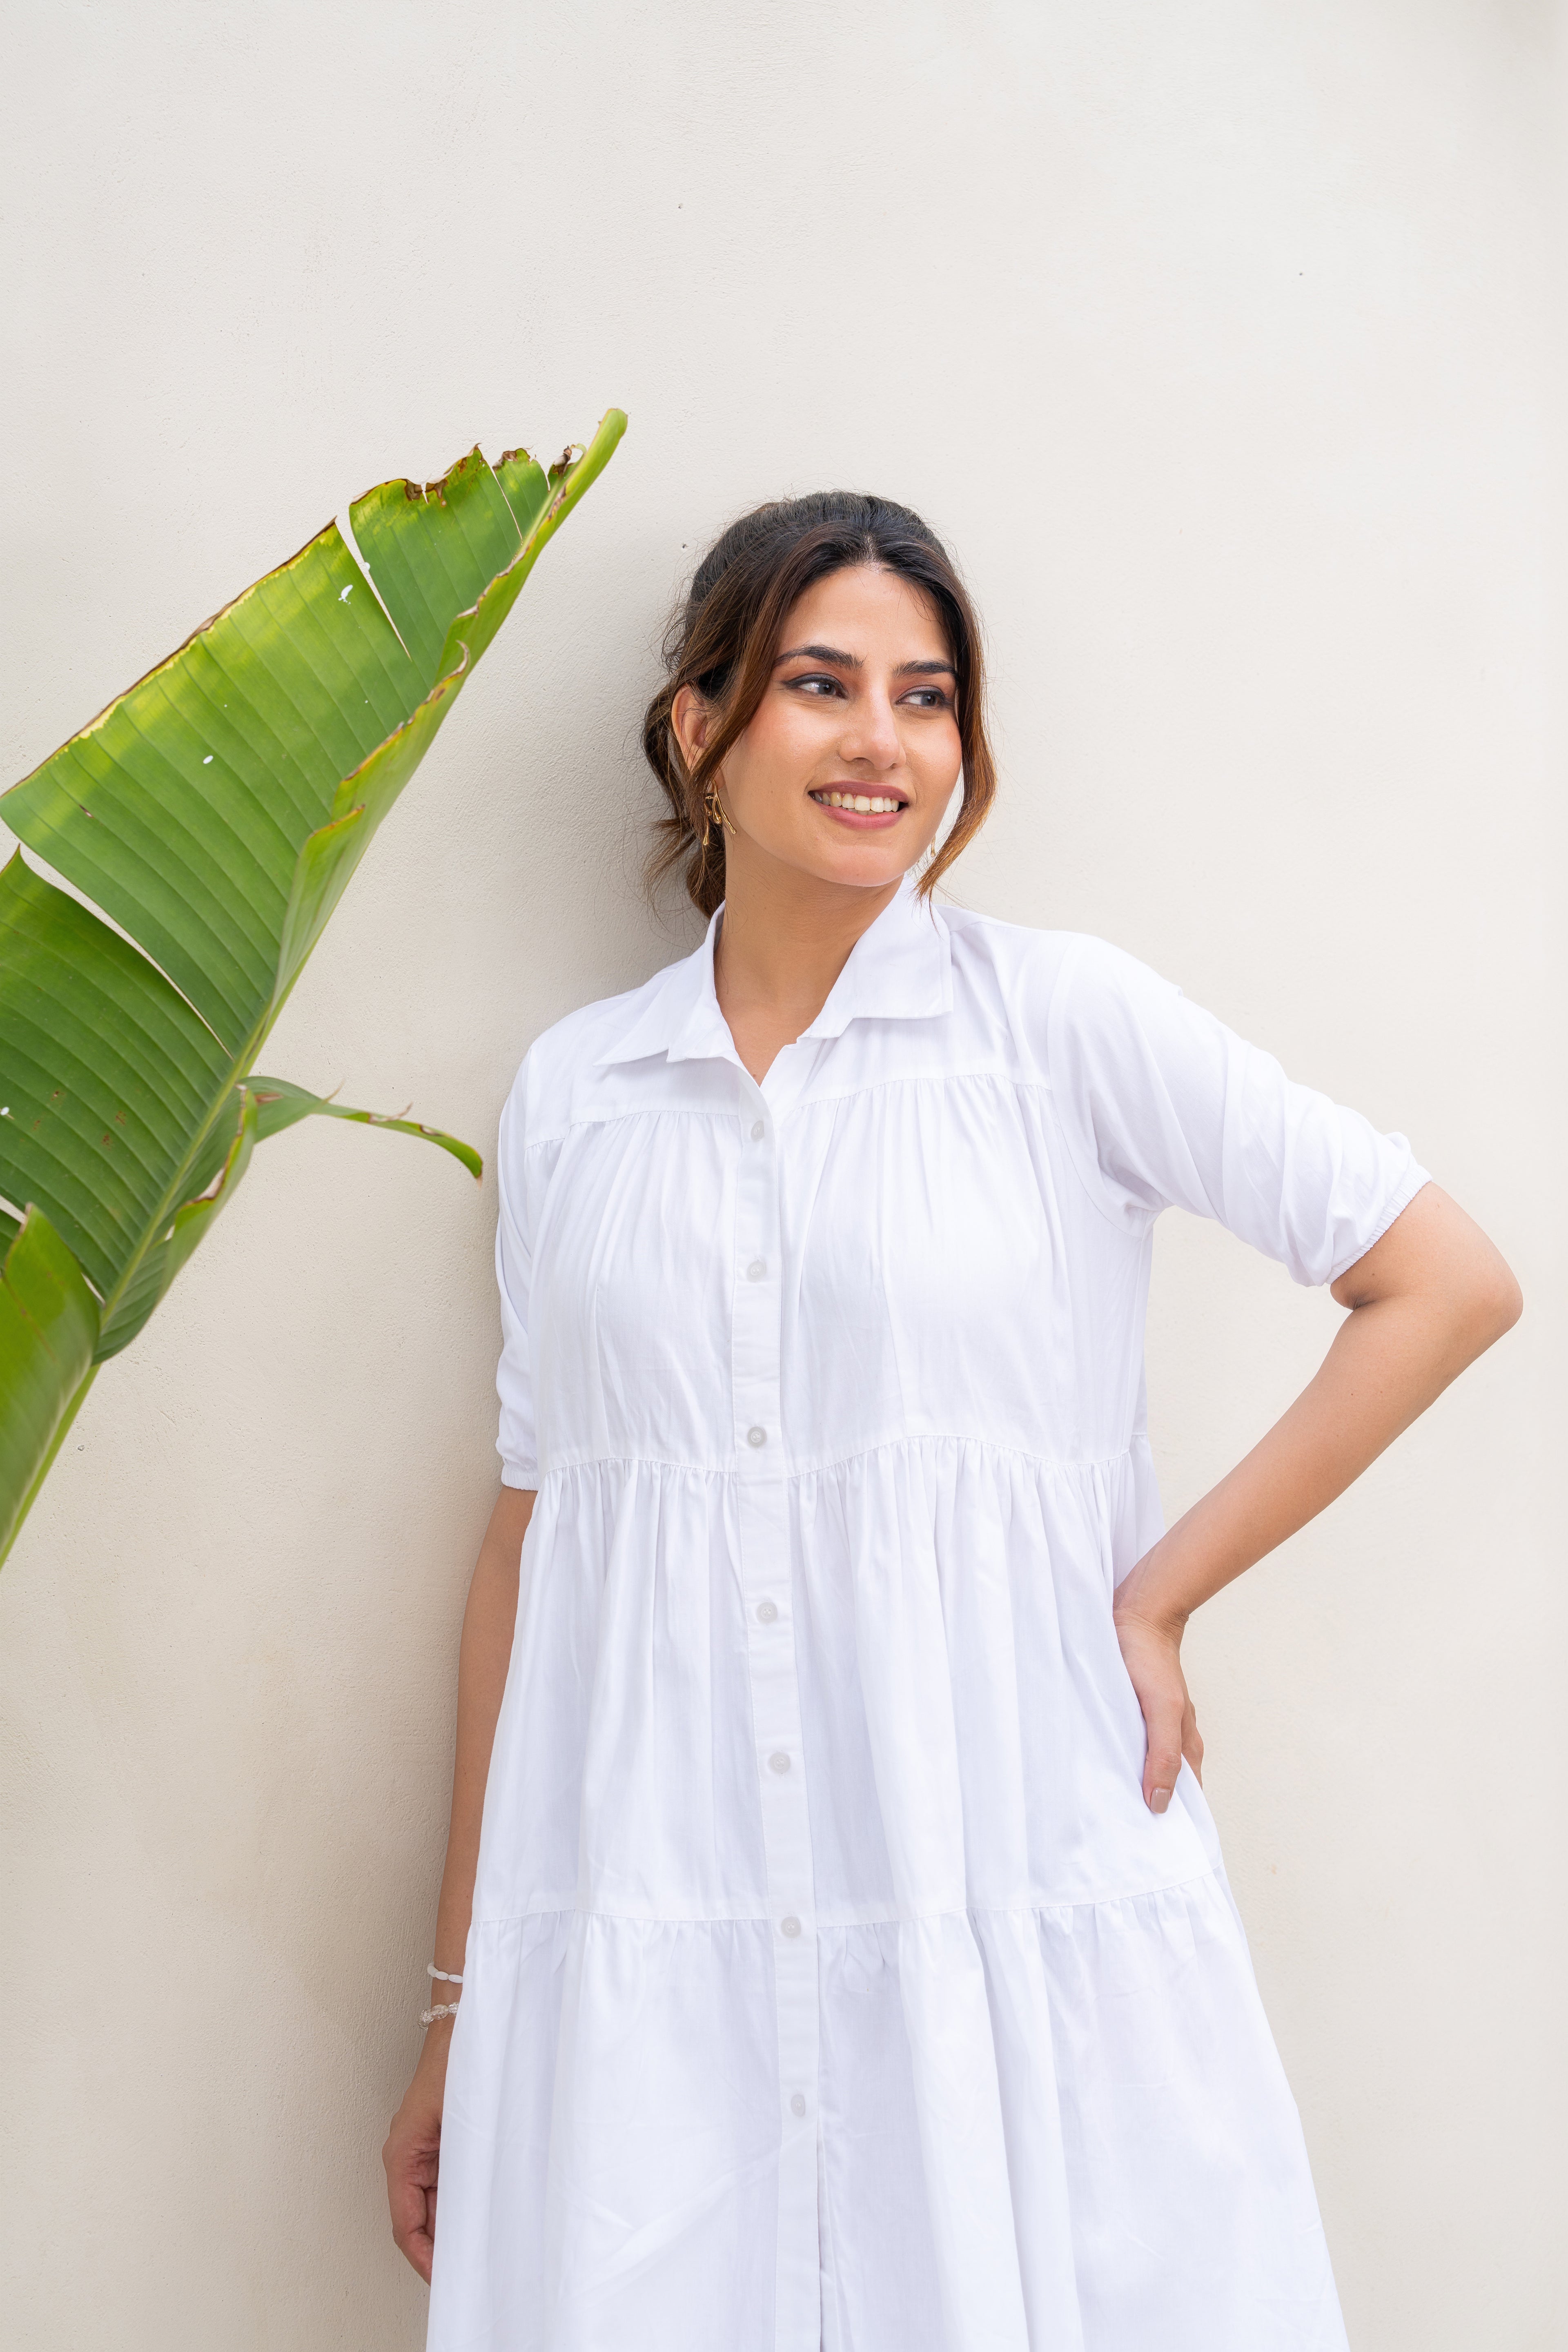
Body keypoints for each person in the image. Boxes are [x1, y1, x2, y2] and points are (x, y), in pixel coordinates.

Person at [384, 492, 1520, 2352]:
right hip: (654, 1920)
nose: (882, 742)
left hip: (1001, 1872)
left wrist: (1153, 1602)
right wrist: (457, 2004)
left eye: (928, 698)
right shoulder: (575, 1094)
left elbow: (1444, 1281)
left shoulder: (1059, 1027)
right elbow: (535, 1540)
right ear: (702, 730)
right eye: (821, 685)